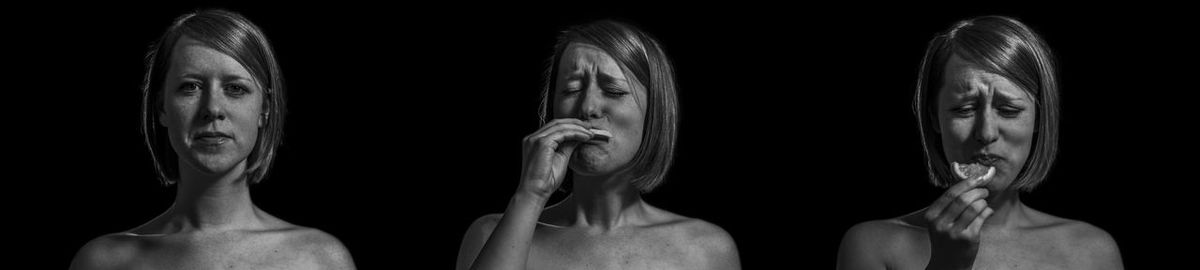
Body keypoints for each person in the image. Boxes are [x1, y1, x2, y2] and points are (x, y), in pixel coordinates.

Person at [70, 9, 355, 270]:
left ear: (264, 109)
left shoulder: (319, 259)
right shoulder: (104, 262)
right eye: (190, 87)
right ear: (161, 108)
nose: (213, 109)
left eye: (235, 88)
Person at [836, 16, 1123, 270]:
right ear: (934, 118)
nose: (985, 133)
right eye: (963, 109)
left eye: (1009, 110)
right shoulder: (871, 245)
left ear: (1040, 119)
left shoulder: (1092, 251)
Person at [455, 20, 741, 270]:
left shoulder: (707, 250)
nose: (588, 107)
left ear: (655, 111)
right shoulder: (490, 234)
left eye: (614, 91)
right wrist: (529, 195)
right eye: (571, 90)